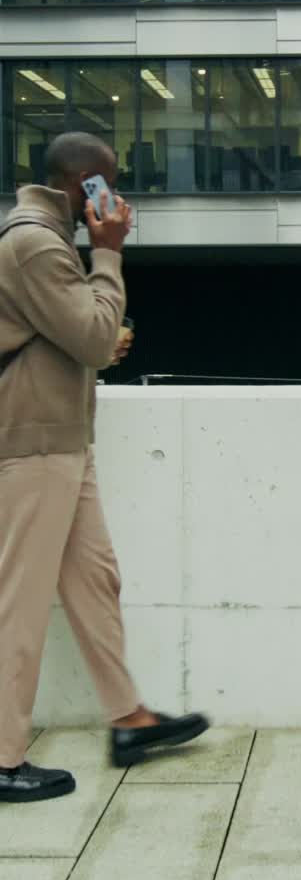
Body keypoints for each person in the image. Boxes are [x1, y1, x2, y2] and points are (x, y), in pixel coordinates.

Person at [0, 133, 209, 803]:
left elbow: (77, 335)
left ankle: (128, 719)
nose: (115, 199)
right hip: (36, 443)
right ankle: (2, 758)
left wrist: (95, 337)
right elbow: (90, 335)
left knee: (96, 581)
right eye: (108, 186)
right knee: (21, 606)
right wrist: (110, 252)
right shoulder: (35, 243)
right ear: (82, 185)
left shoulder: (41, 239)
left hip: (62, 438)